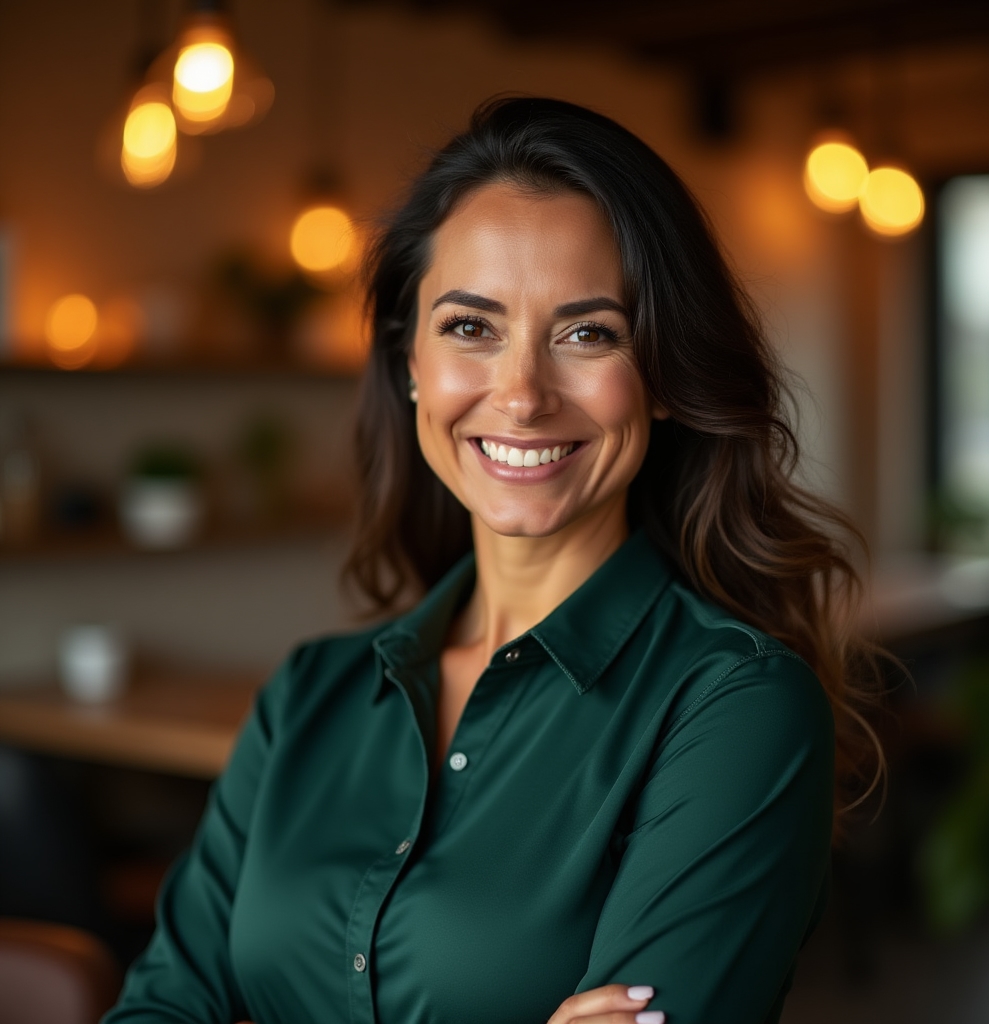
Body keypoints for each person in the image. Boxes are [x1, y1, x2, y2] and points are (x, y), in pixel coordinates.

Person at [104, 97, 881, 1024]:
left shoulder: (735, 708)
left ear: (666, 376)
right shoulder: (308, 697)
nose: (520, 395)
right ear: (409, 364)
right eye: (471, 327)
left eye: (589, 333)